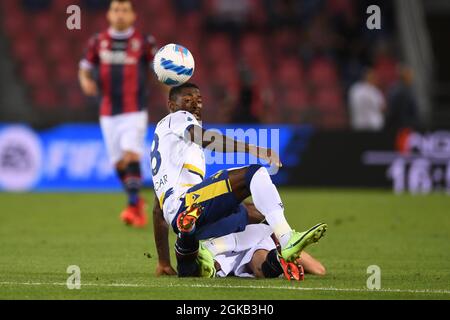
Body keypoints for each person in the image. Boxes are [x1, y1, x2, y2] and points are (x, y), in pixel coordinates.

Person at [151, 82, 327, 277]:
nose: (195, 105)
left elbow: (158, 210)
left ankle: (196, 242)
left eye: (199, 101)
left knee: (255, 212)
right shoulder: (177, 119)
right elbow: (207, 139)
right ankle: (286, 239)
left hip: (182, 210)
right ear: (172, 106)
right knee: (254, 173)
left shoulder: (170, 145)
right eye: (187, 100)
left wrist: (163, 262)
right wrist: (253, 149)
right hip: (188, 203)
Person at [79, 0, 161, 227]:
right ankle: (136, 203)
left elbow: (159, 70)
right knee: (118, 164)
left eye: (125, 10)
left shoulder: (144, 42)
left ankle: (134, 206)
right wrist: (85, 81)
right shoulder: (98, 41)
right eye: (116, 10)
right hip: (107, 111)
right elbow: (84, 69)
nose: (120, 14)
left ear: (133, 16)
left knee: (131, 156)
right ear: (108, 14)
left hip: (134, 109)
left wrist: (169, 92)